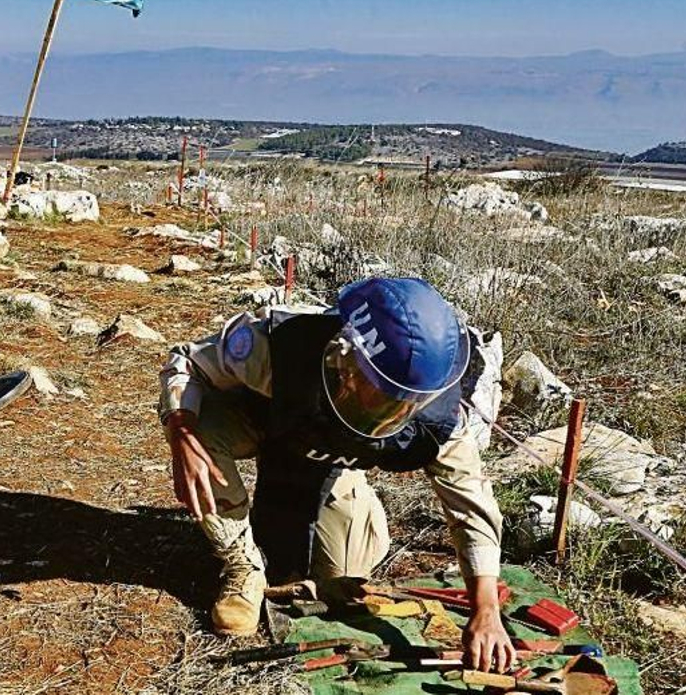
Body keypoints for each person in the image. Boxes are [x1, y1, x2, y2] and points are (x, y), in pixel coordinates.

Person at [157, 276, 515, 673]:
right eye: (381, 394)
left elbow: (470, 502)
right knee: (198, 431)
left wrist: (486, 608)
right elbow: (187, 362)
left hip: (332, 460)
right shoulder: (282, 341)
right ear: (348, 358)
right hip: (264, 423)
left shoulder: (437, 416)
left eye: (406, 404)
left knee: (342, 578)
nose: (395, 411)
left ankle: (349, 511)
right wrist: (181, 428)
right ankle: (243, 567)